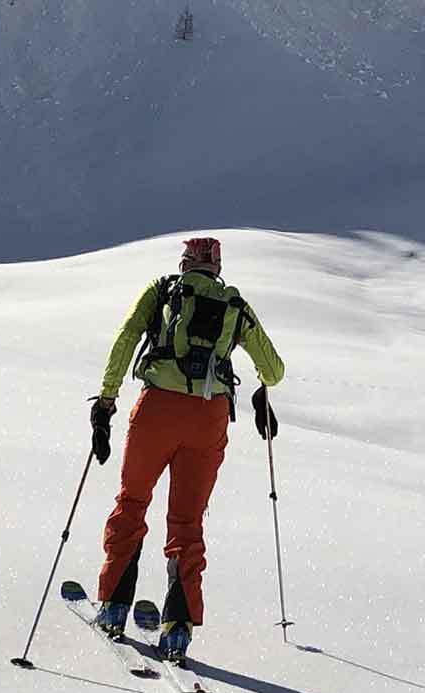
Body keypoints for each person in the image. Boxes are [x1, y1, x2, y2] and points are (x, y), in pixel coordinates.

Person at [87, 237, 284, 660]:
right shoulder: (236, 305)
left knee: (133, 500)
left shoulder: (162, 291)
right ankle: (177, 626)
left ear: (184, 262)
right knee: (187, 520)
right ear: (217, 267)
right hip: (208, 417)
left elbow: (125, 339)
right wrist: (261, 392)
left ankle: (115, 604)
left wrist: (106, 401)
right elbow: (274, 369)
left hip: (156, 408)